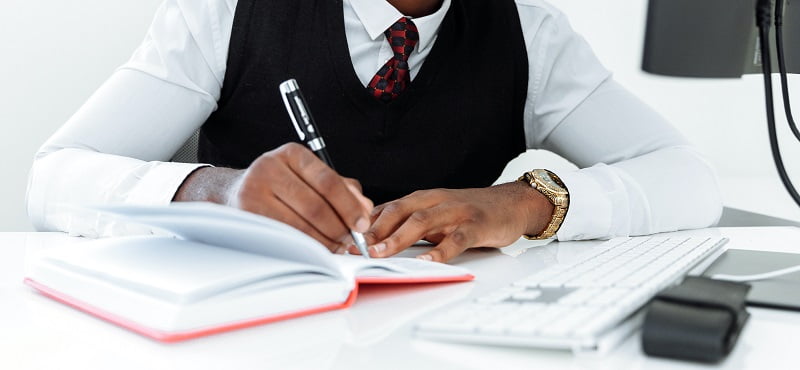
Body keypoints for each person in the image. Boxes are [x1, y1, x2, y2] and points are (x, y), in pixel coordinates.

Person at [26, 0, 722, 262]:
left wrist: (525, 203)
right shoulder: (224, 13)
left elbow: (687, 177)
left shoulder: (530, 32)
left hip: (450, 341)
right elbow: (52, 176)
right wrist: (215, 191)